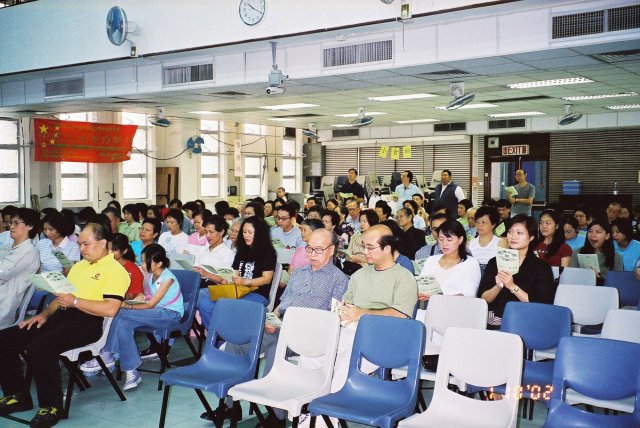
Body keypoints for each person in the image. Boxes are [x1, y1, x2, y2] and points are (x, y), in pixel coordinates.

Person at [212, 229, 349, 424]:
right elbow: (282, 304)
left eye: (318, 250)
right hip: (280, 326)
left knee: (276, 349)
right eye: (309, 249)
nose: (312, 255)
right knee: (238, 341)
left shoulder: (339, 279)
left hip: (308, 333)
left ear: (331, 250)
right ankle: (231, 405)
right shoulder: (300, 272)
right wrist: (271, 318)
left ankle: (276, 415)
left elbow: (334, 317)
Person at [0, 223, 129, 427]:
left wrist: (75, 302)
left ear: (103, 243)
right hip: (62, 316)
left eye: (86, 244)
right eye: (79, 244)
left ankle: (52, 407)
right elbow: (62, 297)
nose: (82, 249)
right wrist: (44, 314)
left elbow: (110, 309)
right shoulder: (79, 266)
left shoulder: (115, 271)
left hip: (89, 322)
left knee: (40, 348)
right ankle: (17, 396)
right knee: (5, 339)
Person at [332, 224, 418, 391]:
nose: (364, 252)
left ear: (387, 248)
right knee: (319, 354)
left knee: (346, 362)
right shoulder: (358, 275)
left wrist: (361, 314)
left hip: (385, 337)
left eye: (370, 247)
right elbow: (347, 305)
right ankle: (309, 406)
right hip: (351, 330)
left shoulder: (404, 278)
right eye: (364, 246)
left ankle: (324, 414)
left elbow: (401, 316)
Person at [95, 244, 183, 391]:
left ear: (159, 263)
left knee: (120, 312)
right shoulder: (151, 276)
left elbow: (151, 304)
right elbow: (149, 298)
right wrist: (141, 296)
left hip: (170, 315)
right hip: (157, 312)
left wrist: (128, 306)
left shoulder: (168, 278)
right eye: (141, 260)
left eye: (144, 261)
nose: (141, 265)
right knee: (123, 323)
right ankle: (131, 371)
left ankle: (108, 352)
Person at [477, 214, 555, 329]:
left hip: (528, 319)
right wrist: (498, 287)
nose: (513, 237)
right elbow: (483, 298)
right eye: (510, 232)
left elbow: (542, 305)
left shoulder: (541, 267)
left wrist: (512, 286)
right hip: (495, 317)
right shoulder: (495, 262)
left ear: (531, 237)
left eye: (519, 233)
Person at [30, 212, 80, 311]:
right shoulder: (41, 244)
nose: (47, 233)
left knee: (39, 297)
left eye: (50, 229)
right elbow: (35, 267)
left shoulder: (72, 247)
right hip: (41, 282)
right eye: (44, 229)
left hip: (59, 286)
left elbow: (71, 273)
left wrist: (69, 270)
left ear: (60, 228)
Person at [419, 219, 481, 299]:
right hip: (427, 309)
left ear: (460, 240)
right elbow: (422, 287)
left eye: (449, 240)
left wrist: (436, 297)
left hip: (456, 309)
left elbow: (469, 294)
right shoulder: (431, 260)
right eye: (441, 239)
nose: (444, 244)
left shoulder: (471, 263)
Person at [193, 217, 237, 331]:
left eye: (211, 232)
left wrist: (206, 273)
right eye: (206, 232)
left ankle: (216, 334)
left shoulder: (227, 254)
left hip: (217, 288)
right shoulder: (203, 251)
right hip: (199, 284)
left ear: (221, 232)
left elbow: (225, 280)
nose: (207, 235)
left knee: (199, 300)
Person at [0, 208, 41, 328]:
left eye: (16, 223)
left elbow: (2, 273)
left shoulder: (28, 251)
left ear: (30, 226)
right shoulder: (9, 247)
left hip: (4, 303)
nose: (11, 226)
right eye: (10, 223)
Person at [570, 219, 623, 284]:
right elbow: (572, 278)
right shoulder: (578, 252)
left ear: (607, 236)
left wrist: (599, 279)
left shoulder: (616, 257)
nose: (593, 235)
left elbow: (618, 283)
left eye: (598, 232)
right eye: (590, 231)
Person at [468, 206, 507, 274]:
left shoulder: (500, 243)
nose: (479, 225)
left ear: (493, 224)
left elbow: (503, 268)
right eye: (477, 222)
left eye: (483, 222)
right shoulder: (470, 243)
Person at [341, 209, 378, 275]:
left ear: (372, 221)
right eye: (360, 221)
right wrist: (351, 257)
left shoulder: (377, 238)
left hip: (370, 269)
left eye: (364, 221)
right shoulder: (355, 236)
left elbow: (378, 260)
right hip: (353, 267)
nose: (361, 224)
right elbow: (348, 254)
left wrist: (361, 260)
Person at [109, 233, 144, 301]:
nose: (109, 252)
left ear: (124, 251)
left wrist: (114, 294)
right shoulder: (103, 264)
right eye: (108, 249)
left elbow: (133, 295)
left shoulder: (133, 270)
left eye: (113, 250)